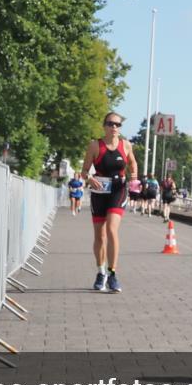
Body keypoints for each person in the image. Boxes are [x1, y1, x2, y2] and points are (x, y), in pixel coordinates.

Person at [80, 112, 137, 293]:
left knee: (112, 229)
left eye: (118, 125)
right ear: (104, 126)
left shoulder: (126, 145)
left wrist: (134, 176)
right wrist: (89, 178)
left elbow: (133, 164)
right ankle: (100, 272)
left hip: (118, 190)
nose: (114, 127)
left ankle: (113, 274)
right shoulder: (95, 145)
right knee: (100, 236)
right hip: (99, 192)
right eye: (111, 124)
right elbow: (84, 171)